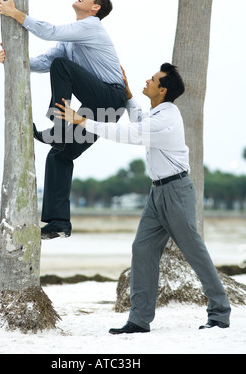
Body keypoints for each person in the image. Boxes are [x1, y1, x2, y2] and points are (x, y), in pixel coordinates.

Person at [55, 63, 231, 332]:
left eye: (153, 79)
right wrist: (127, 95)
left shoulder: (167, 119)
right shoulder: (157, 114)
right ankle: (139, 320)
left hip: (176, 192)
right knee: (142, 249)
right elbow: (139, 123)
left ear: (163, 89)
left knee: (194, 251)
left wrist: (81, 120)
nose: (147, 80)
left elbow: (131, 133)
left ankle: (220, 312)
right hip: (157, 192)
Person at [0, 0, 127, 239]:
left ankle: (57, 128)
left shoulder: (91, 26)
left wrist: (16, 14)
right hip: (98, 111)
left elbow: (51, 32)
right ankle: (59, 224)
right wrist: (12, 58)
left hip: (110, 99)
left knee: (62, 66)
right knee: (59, 155)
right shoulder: (70, 40)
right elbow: (44, 63)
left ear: (95, 8)